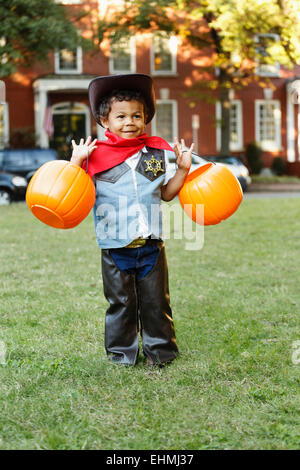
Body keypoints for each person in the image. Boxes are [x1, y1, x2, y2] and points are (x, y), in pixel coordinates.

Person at [70, 73, 194, 366]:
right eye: (121, 116)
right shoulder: (94, 156)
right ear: (105, 121)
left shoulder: (155, 152)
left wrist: (182, 170)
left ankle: (160, 353)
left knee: (156, 302)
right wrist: (76, 162)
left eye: (137, 115)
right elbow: (73, 193)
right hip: (115, 246)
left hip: (151, 244)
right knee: (121, 304)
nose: (129, 122)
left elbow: (165, 194)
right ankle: (121, 354)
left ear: (145, 118)